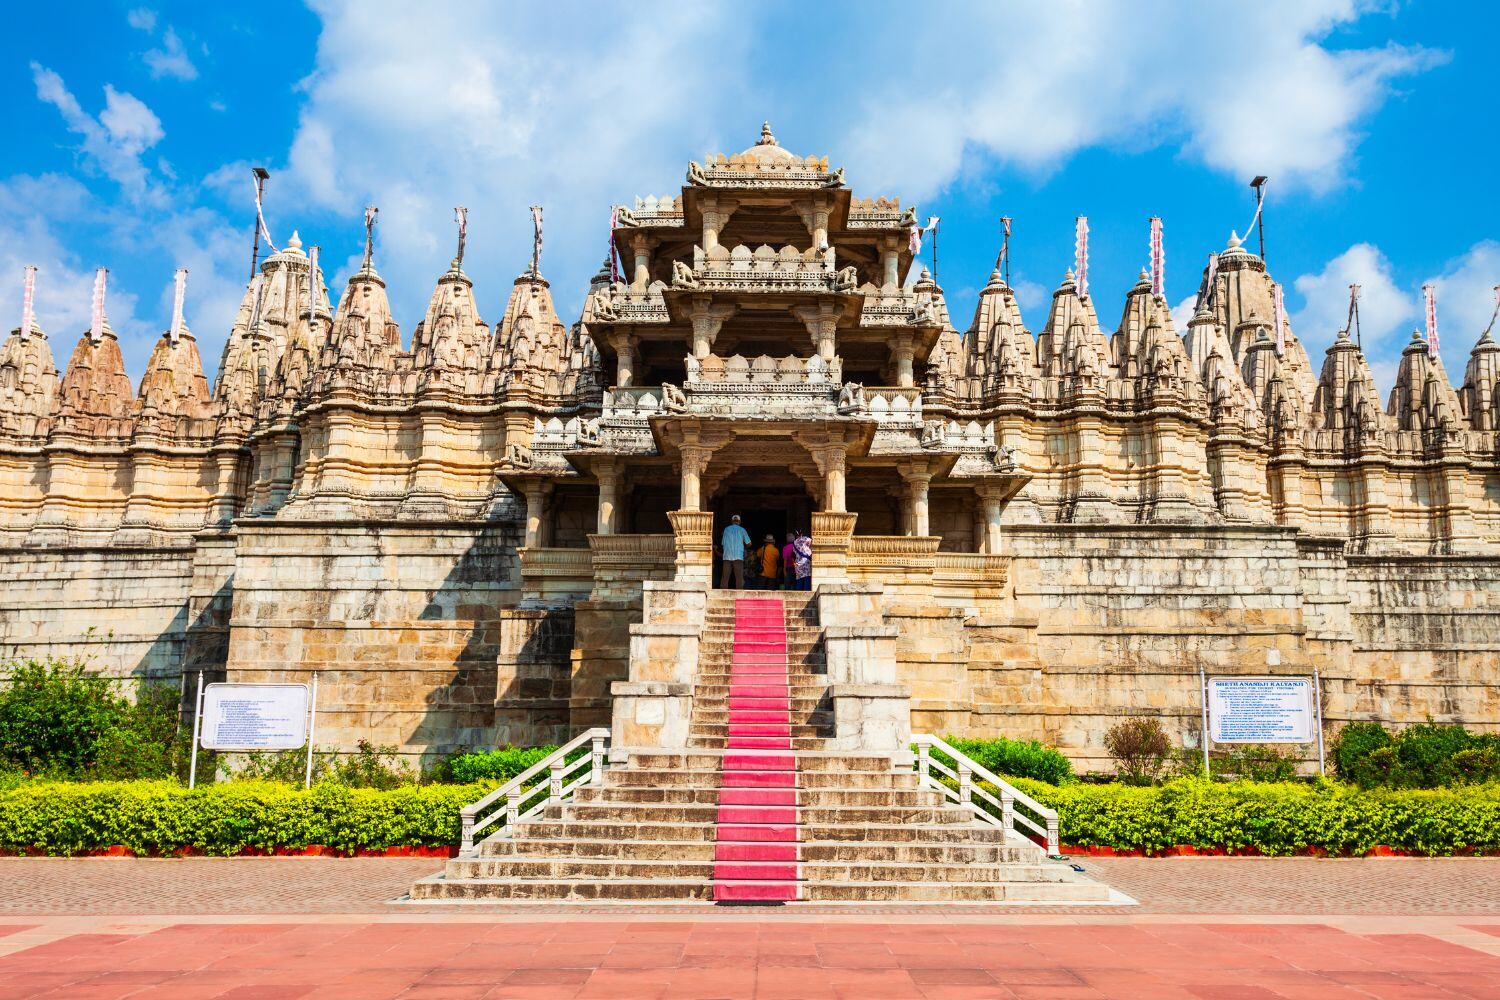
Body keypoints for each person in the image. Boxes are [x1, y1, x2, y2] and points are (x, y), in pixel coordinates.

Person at [719, 514, 751, 589]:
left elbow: (723, 543)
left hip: (727, 556)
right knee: (739, 577)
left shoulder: (726, 529)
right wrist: (743, 545)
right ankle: (739, 593)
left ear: (732, 521)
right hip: (738, 556)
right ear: (739, 521)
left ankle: (723, 593)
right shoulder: (742, 530)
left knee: (725, 577)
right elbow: (749, 543)